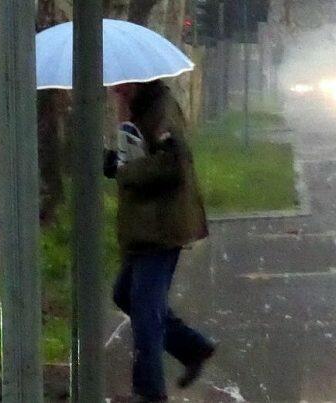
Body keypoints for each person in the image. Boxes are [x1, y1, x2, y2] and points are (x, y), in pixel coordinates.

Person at [104, 80, 214, 402]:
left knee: (145, 309)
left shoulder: (162, 110)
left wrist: (125, 172)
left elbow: (172, 165)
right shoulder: (139, 109)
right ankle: (192, 347)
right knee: (125, 294)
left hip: (161, 227)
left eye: (121, 85)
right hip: (144, 227)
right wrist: (114, 162)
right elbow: (137, 155)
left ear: (138, 80)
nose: (116, 91)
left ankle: (149, 392)